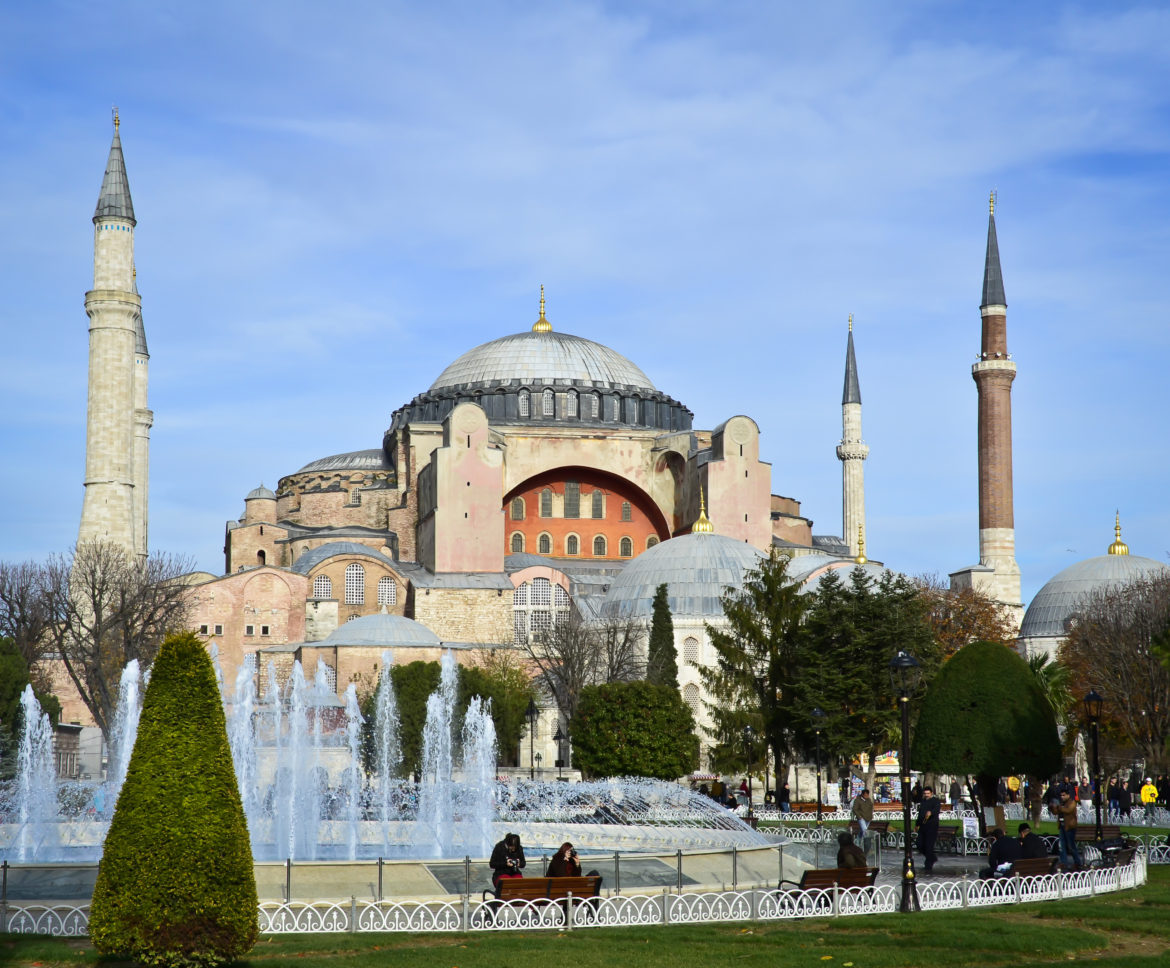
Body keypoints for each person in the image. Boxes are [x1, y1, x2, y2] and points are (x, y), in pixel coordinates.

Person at [916, 784, 941, 872]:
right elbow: (920, 814)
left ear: (931, 793)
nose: (926, 795)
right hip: (923, 826)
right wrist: (917, 824)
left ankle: (928, 864)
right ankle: (932, 857)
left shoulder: (935, 801)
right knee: (919, 844)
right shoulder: (923, 801)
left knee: (929, 846)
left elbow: (937, 810)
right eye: (925, 793)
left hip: (932, 826)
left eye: (928, 793)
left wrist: (931, 812)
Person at [1054, 790, 1082, 869]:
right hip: (1062, 826)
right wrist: (1053, 808)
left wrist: (1059, 808)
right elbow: (1056, 812)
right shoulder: (1061, 804)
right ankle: (1063, 862)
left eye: (1064, 795)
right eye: (1061, 795)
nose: (1062, 797)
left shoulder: (1072, 802)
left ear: (1068, 795)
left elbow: (1068, 810)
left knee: (1071, 846)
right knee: (1062, 845)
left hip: (1069, 827)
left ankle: (1077, 862)